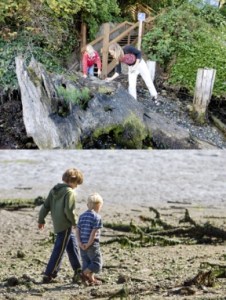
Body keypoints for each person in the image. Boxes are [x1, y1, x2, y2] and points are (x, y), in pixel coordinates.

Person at [38, 168, 83, 284]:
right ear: (73, 181)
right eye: (77, 183)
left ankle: (78, 270)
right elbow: (69, 211)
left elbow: (45, 206)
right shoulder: (70, 192)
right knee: (59, 250)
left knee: (72, 246)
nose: (77, 186)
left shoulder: (54, 190)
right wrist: (75, 222)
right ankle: (49, 274)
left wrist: (41, 219)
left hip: (57, 223)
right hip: (65, 224)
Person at [76, 192, 103, 285]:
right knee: (96, 263)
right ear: (98, 206)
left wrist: (79, 242)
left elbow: (77, 230)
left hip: (81, 243)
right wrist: (88, 244)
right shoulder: (97, 217)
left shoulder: (82, 216)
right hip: (92, 244)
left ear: (88, 205)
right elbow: (93, 233)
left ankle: (89, 279)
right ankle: (83, 274)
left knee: (86, 262)